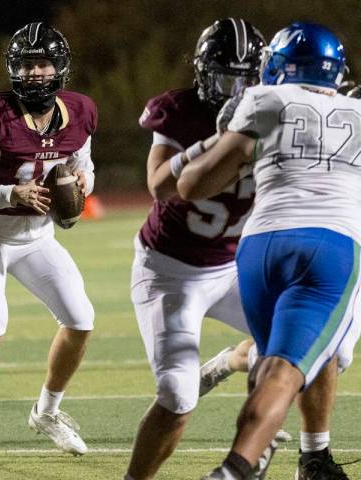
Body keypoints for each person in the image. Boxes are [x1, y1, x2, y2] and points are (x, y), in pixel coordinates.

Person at [176, 22, 359, 480]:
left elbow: (194, 184)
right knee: (286, 368)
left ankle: (285, 460)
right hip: (330, 246)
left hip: (259, 248)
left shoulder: (262, 99)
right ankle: (235, 470)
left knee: (273, 364)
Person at [126, 18, 270, 480]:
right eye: (227, 77)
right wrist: (216, 140)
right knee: (177, 396)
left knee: (303, 346)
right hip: (170, 269)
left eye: (247, 79)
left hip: (233, 266)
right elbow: (158, 186)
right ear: (204, 74)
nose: (237, 89)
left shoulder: (274, 110)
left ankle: (232, 369)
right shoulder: (180, 111)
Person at [0, 22, 96, 465]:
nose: (35, 73)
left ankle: (47, 412)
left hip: (36, 238)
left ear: (60, 68)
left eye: (43, 63)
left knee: (81, 319)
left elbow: (82, 163)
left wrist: (85, 182)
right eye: (27, 65)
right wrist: (10, 194)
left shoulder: (81, 111)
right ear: (14, 69)